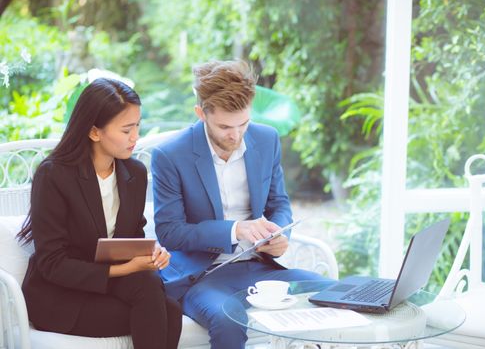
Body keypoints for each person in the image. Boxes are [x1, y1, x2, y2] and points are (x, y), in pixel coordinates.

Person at [152, 60, 326, 349]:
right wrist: (236, 230)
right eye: (224, 126)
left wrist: (280, 235)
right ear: (201, 114)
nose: (235, 135)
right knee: (228, 320)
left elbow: (278, 203)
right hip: (203, 278)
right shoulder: (170, 155)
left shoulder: (267, 139)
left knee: (335, 294)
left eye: (243, 124)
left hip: (263, 271)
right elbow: (170, 232)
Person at [17, 78, 182, 349]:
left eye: (137, 126)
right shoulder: (54, 175)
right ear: (95, 132)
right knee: (166, 311)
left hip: (113, 284)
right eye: (127, 129)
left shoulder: (135, 174)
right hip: (61, 294)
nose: (136, 137)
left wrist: (151, 253)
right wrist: (127, 268)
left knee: (160, 298)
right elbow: (52, 264)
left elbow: (131, 239)